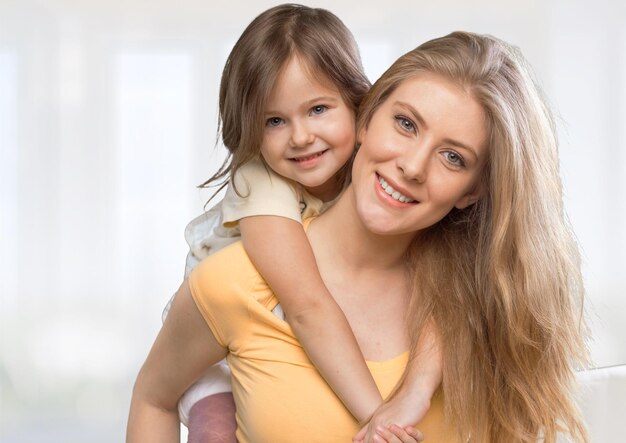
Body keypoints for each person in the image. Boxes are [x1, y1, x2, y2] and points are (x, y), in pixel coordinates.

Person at [129, 31, 589, 443]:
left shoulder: (492, 304)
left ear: (473, 192)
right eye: (406, 124)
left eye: (453, 157)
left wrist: (414, 391)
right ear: (367, 117)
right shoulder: (236, 280)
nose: (412, 165)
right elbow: (153, 398)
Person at [162, 4, 442, 442]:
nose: (300, 136)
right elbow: (306, 305)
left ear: (358, 103)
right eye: (274, 120)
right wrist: (380, 420)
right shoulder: (261, 180)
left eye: (317, 109)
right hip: (214, 355)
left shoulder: (372, 168)